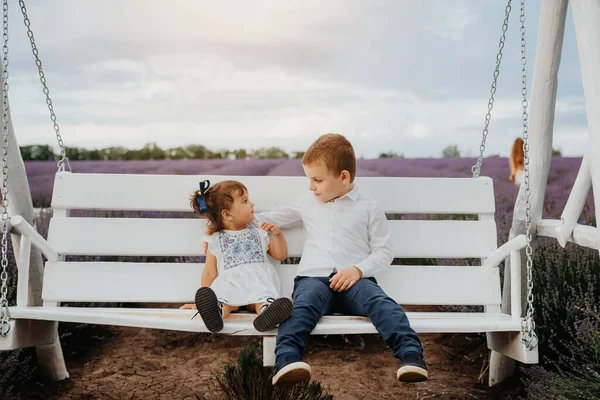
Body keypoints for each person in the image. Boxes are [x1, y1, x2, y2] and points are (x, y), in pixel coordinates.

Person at [248, 133, 428, 385]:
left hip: (355, 280)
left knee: (381, 303)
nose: (311, 187)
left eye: (317, 180)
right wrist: (221, 219)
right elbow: (266, 218)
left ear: (344, 177)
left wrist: (357, 270)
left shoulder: (368, 206)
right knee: (300, 308)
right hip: (313, 278)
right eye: (309, 179)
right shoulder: (307, 203)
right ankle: (287, 360)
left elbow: (384, 251)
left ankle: (411, 356)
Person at [180, 179, 293, 333]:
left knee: (263, 297)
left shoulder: (259, 233)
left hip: (258, 284)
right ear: (227, 214)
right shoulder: (215, 240)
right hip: (231, 285)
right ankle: (217, 311)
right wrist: (200, 300)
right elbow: (210, 271)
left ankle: (267, 313)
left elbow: (280, 255)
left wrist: (277, 235)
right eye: (245, 201)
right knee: (225, 300)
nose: (252, 204)